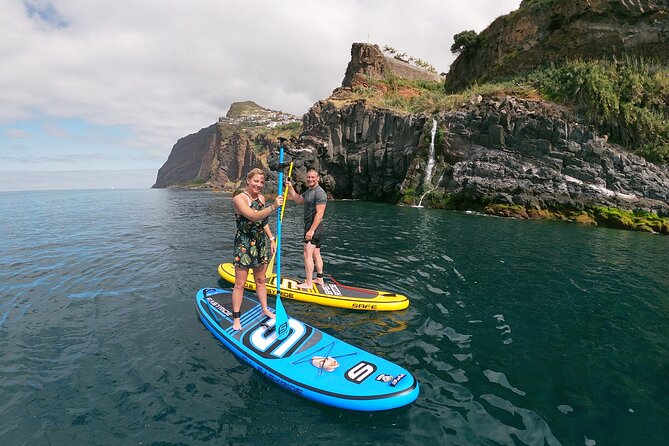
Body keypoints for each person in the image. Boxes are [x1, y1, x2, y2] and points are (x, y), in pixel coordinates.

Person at [231, 168, 283, 331]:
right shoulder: (238, 199)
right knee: (240, 284)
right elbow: (253, 216)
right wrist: (274, 206)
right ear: (248, 180)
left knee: (261, 280)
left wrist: (272, 238)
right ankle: (236, 318)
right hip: (244, 244)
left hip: (260, 244)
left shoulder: (261, 198)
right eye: (255, 181)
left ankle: (265, 309)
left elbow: (262, 221)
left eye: (261, 182)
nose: (259, 185)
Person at [286, 168, 327, 289]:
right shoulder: (309, 191)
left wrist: (311, 230)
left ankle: (309, 283)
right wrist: (290, 187)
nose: (310, 179)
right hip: (314, 228)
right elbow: (298, 200)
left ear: (318, 178)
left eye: (313, 177)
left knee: (307, 254)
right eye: (309, 177)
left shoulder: (319, 193)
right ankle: (319, 279)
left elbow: (320, 213)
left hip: (314, 228)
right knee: (316, 254)